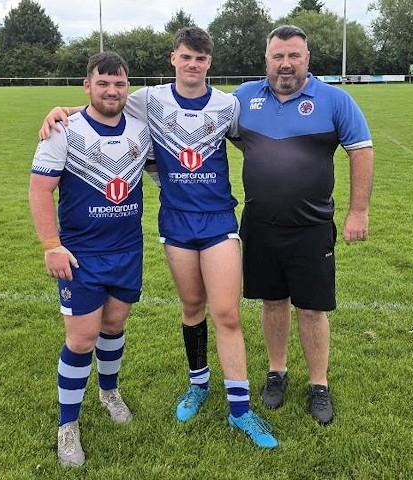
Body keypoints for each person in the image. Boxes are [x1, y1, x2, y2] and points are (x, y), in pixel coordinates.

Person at [40, 27, 277, 449]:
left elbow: (252, 144)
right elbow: (102, 104)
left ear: (209, 63)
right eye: (186, 57)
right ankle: (198, 386)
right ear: (174, 58)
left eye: (201, 59)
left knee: (227, 314)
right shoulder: (149, 100)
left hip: (219, 219)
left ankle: (240, 409)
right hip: (176, 223)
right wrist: (60, 110)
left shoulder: (229, 105)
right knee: (191, 307)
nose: (193, 64)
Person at [232, 25, 374, 426]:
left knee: (312, 308)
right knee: (272, 301)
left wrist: (358, 211)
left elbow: (361, 151)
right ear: (266, 61)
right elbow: (187, 114)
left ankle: (319, 384)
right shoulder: (242, 99)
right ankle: (276, 372)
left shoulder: (334, 100)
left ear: (307, 59)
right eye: (278, 56)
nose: (286, 64)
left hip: (312, 227)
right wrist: (75, 113)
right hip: (259, 224)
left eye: (294, 55)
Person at [29, 51, 153, 467]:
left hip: (127, 250)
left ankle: (109, 391)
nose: (112, 91)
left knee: (114, 325)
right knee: (81, 339)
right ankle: (68, 425)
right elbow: (39, 190)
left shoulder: (141, 129)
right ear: (88, 86)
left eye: (119, 84)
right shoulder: (64, 130)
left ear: (127, 86)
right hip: (81, 256)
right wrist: (51, 244)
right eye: (103, 83)